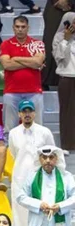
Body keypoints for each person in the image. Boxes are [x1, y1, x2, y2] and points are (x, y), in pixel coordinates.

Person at [7, 99, 55, 226]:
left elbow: (52, 154)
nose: (27, 114)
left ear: (34, 113)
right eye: (24, 111)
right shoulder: (13, 133)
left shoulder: (44, 132)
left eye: (29, 111)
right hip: (20, 178)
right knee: (20, 213)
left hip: (40, 178)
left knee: (40, 210)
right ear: (19, 114)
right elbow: (13, 153)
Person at [1, 15, 47, 133]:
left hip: (34, 92)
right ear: (13, 28)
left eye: (23, 27)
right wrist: (30, 62)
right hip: (11, 92)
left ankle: (37, 150)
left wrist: (15, 58)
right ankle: (9, 151)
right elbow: (7, 65)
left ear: (28, 28)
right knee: (9, 129)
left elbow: (38, 62)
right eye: (17, 27)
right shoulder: (5, 44)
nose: (20, 29)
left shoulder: (38, 44)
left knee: (37, 128)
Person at [54, 14, 75, 150]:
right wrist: (66, 40)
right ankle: (67, 144)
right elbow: (58, 57)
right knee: (67, 112)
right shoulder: (59, 37)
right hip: (67, 78)